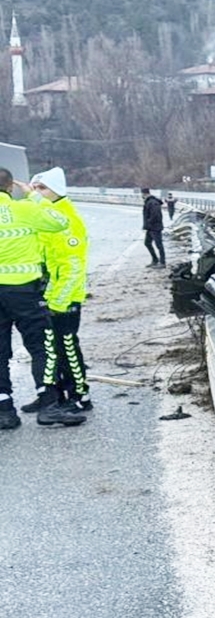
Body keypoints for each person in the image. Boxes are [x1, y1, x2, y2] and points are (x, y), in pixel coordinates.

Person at [0, 167, 85, 429]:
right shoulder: (24, 209)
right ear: (10, 187)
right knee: (42, 346)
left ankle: (4, 411)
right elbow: (60, 221)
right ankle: (49, 404)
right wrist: (34, 198)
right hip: (25, 291)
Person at [28, 168, 92, 413]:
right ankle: (56, 395)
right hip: (50, 295)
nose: (37, 193)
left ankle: (80, 395)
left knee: (68, 347)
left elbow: (73, 268)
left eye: (42, 188)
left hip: (65, 299)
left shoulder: (67, 220)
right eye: (35, 188)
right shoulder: (50, 215)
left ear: (57, 190)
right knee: (50, 350)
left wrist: (59, 302)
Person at [141, 187, 166, 268]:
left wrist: (149, 222)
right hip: (151, 227)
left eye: (142, 194)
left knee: (159, 245)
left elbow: (155, 215)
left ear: (144, 194)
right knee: (147, 243)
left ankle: (162, 262)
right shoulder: (150, 201)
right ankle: (155, 260)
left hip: (154, 227)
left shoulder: (152, 202)